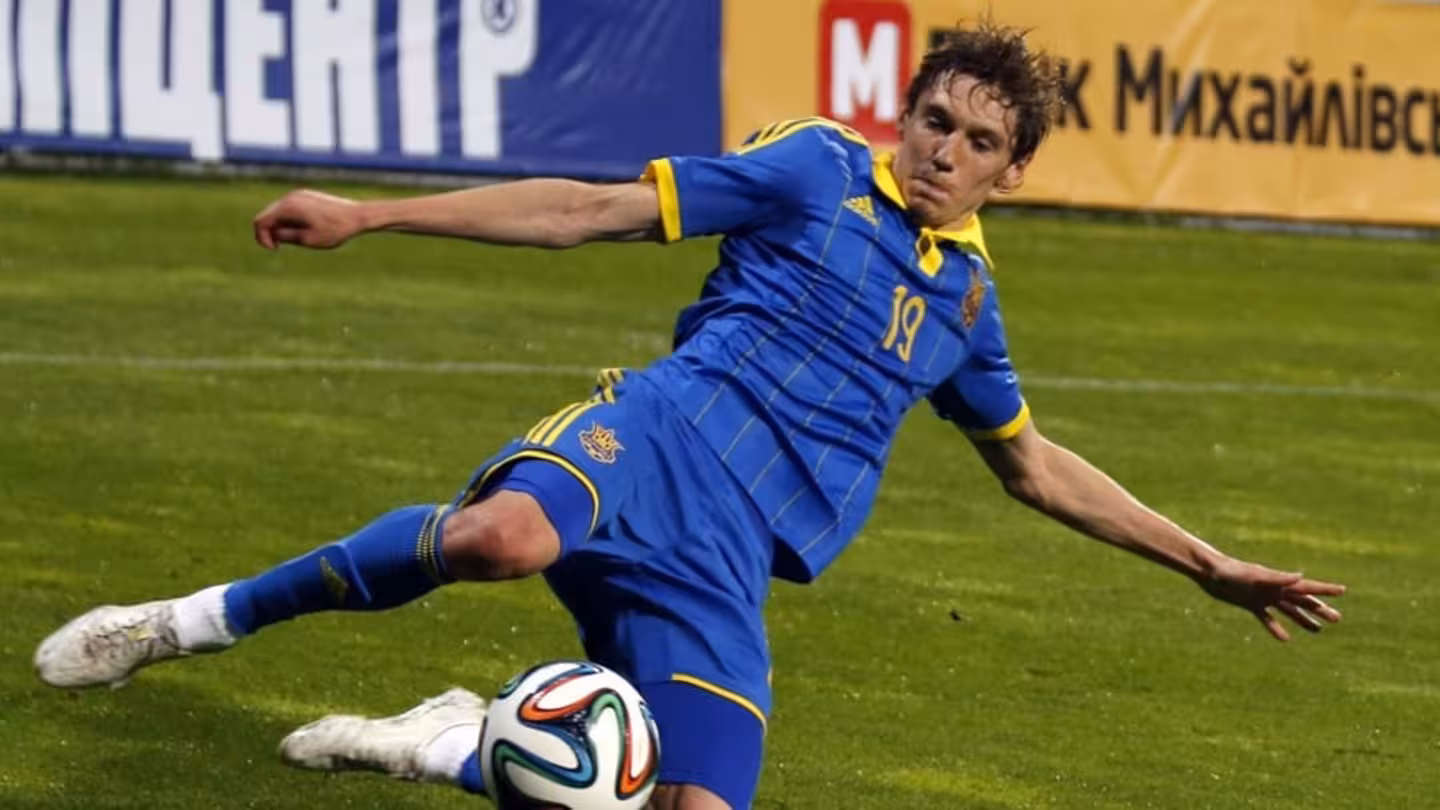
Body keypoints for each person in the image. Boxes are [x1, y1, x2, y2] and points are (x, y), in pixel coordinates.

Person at [33, 21, 1345, 810]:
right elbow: (585, 210)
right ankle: (189, 621)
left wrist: (1209, 565)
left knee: (692, 802)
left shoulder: (965, 306)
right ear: (902, 114)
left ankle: (455, 742)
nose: (942, 150)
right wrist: (372, 215)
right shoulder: (815, 168)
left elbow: (1035, 467)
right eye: (932, 119)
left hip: (732, 559)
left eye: (977, 141)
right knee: (499, 538)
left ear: (1013, 171)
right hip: (654, 443)